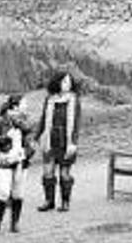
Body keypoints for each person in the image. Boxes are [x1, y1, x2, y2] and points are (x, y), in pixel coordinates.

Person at [0, 94, 35, 237]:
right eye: (24, 103)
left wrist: (24, 154)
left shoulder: (27, 121)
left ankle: (15, 222)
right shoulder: (1, 119)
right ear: (15, 106)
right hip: (4, 161)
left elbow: (31, 143)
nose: (27, 106)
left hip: (21, 161)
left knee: (18, 193)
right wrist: (6, 138)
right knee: (3, 191)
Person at [34, 70, 82, 213]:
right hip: (50, 139)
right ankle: (49, 201)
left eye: (69, 81)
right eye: (64, 81)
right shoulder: (50, 99)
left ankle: (65, 202)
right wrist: (36, 137)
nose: (67, 84)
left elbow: (77, 123)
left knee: (64, 173)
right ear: (57, 82)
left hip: (66, 141)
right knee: (48, 171)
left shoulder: (74, 100)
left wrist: (73, 142)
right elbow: (43, 119)